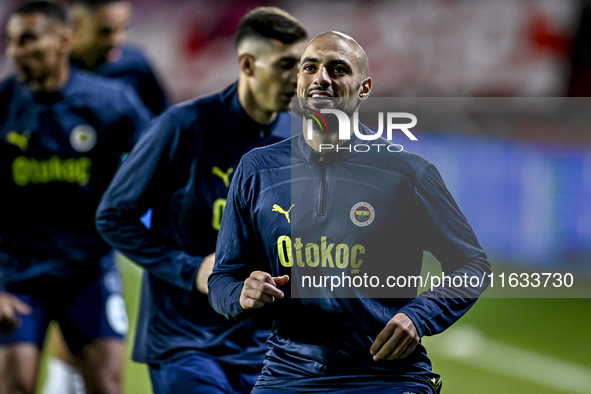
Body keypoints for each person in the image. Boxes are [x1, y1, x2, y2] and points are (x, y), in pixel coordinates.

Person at [208, 31, 492, 394]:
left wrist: (418, 317)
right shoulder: (257, 170)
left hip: (386, 378)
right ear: (298, 81)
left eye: (338, 69)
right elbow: (223, 279)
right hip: (289, 375)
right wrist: (241, 294)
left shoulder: (407, 173)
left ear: (364, 87)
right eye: (310, 67)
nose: (321, 78)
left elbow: (471, 265)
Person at [95, 7, 307, 394]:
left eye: (304, 65)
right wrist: (190, 269)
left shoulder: (299, 139)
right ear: (247, 63)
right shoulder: (182, 127)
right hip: (186, 343)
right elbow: (114, 216)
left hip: (268, 349)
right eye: (286, 65)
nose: (299, 78)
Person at [0, 2, 151, 394]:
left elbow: (161, 167)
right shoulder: (3, 105)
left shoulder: (112, 102)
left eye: (28, 40)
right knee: (14, 384)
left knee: (107, 385)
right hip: (18, 276)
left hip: (88, 273)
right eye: (12, 41)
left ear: (64, 40)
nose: (15, 50)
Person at [71, 0, 169, 115]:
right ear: (77, 25)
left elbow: (163, 119)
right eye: (105, 32)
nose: (117, 40)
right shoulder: (58, 69)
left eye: (124, 28)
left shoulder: (135, 66)